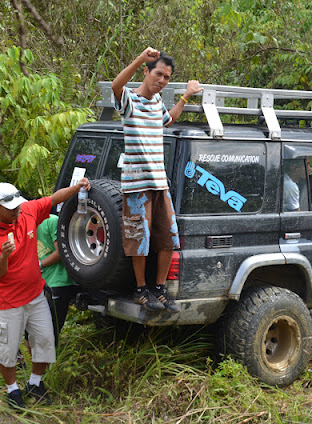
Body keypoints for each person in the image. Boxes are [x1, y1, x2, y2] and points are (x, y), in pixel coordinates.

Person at [0, 178, 90, 410]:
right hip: (9, 302)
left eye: (18, 206)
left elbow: (54, 198)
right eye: (11, 210)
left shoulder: (27, 211)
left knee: (45, 341)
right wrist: (4, 257)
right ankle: (12, 389)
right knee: (7, 350)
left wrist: (77, 187)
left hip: (36, 295)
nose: (17, 211)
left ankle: (35, 383)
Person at [111, 47, 202, 312]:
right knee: (139, 239)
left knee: (167, 237)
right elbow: (116, 86)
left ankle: (159, 289)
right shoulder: (130, 101)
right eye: (158, 74)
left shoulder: (157, 102)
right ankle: (141, 289)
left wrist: (185, 95)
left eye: (166, 77)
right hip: (136, 184)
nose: (161, 80)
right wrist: (140, 57)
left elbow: (168, 120)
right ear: (147, 72)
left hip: (159, 183)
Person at [36, 214, 77, 347]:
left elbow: (61, 252)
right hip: (37, 282)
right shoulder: (20, 227)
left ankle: (49, 364)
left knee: (51, 329)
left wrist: (39, 265)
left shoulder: (51, 221)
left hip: (58, 280)